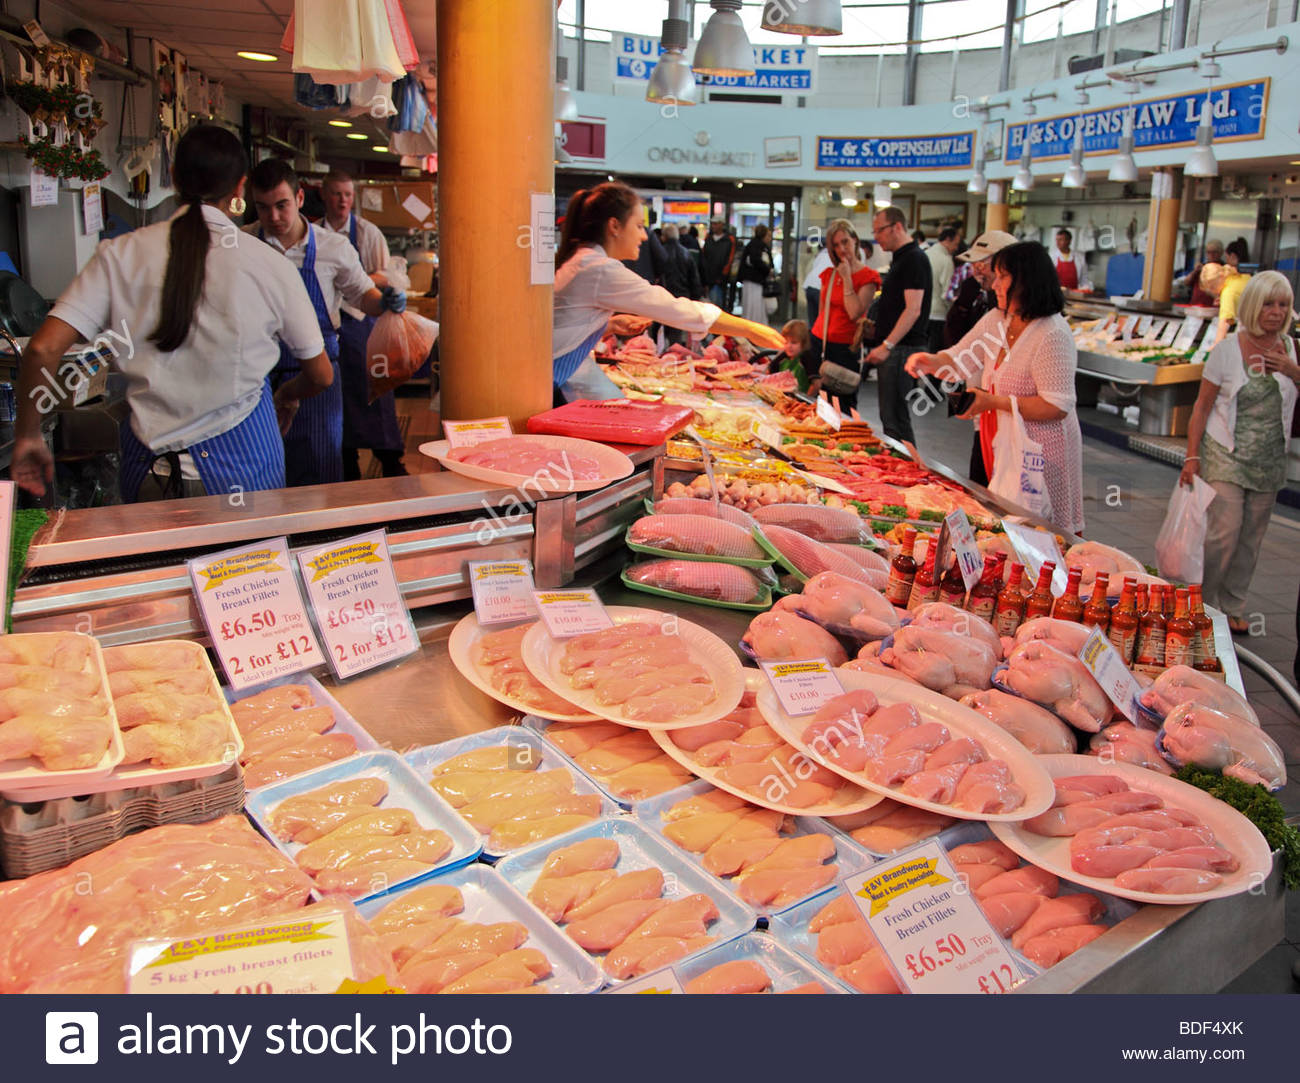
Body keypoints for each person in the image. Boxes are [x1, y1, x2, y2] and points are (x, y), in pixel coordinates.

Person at [12, 125, 333, 503]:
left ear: (176, 178)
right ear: (240, 188)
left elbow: (41, 350)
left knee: (158, 564)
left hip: (149, 475)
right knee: (246, 564)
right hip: (246, 475)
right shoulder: (270, 263)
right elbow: (321, 375)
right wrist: (287, 395)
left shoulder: (120, 254)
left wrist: (29, 435)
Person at [906, 241, 1084, 535]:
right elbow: (962, 357)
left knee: (1045, 533)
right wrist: (931, 360)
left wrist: (991, 402)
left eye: (1002, 277)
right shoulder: (998, 320)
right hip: (1003, 443)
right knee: (1009, 524)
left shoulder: (1052, 333)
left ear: (1026, 280)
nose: (994, 285)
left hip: (1043, 451)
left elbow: (1056, 405)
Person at [246, 159, 406, 487]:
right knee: (262, 468)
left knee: (321, 467)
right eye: (263, 208)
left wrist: (384, 301)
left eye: (282, 205)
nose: (274, 218)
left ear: (300, 198)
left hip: (318, 374)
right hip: (257, 375)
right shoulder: (242, 245)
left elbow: (364, 297)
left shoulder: (333, 248)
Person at [552, 182, 784, 402]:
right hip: (546, 381)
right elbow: (678, 310)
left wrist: (608, 325)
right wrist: (750, 329)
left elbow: (567, 320)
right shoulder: (599, 269)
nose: (644, 236)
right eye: (639, 226)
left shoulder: (586, 261)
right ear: (614, 226)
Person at [1180, 271, 1299, 633]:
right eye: (1268, 304)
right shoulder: (1227, 350)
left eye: (1283, 305)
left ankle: (1232, 605)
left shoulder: (1291, 348)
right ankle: (1205, 603)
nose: (1276, 312)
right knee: (1224, 532)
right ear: (1251, 305)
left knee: (1251, 536)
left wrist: (1293, 370)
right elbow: (1201, 407)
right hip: (1225, 453)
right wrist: (1192, 455)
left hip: (1269, 457)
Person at [318, 169, 406, 481]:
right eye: (336, 194)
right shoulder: (315, 234)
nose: (342, 201)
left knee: (376, 395)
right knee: (337, 398)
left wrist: (353, 280)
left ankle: (391, 460)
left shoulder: (368, 233)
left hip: (363, 324)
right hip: (328, 327)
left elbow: (388, 275)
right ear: (323, 195)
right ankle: (345, 459)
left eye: (347, 195)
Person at [943, 229, 1017, 484]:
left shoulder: (1031, 319)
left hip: (1015, 428)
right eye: (974, 264)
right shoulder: (978, 296)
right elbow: (956, 339)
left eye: (983, 264)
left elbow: (1056, 405)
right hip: (983, 413)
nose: (976, 270)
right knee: (981, 476)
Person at [863, 206, 931, 444]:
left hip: (902, 349)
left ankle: (906, 472)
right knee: (891, 417)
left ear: (897, 227)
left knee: (895, 419)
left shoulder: (914, 259)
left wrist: (887, 345)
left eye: (879, 231)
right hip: (896, 347)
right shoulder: (902, 259)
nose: (877, 237)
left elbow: (913, 309)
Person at [811, 218, 880, 414]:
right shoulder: (829, 274)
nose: (842, 249)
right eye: (836, 245)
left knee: (845, 408)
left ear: (855, 241)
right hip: (821, 344)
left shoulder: (868, 277)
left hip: (846, 348)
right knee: (821, 406)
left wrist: (847, 278)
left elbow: (854, 313)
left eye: (845, 242)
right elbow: (822, 312)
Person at [659, 224, 702, 346]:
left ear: (664, 237)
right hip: (683, 296)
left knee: (663, 332)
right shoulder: (686, 253)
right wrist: (695, 297)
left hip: (663, 297)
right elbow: (694, 278)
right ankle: (675, 355)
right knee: (676, 332)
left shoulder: (660, 252)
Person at [925, 226, 962, 352]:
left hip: (923, 312)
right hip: (938, 315)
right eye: (955, 244)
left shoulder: (925, 254)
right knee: (934, 354)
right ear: (947, 240)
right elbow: (947, 294)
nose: (956, 248)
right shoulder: (946, 260)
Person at [1212, 238, 1253, 347]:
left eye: (1226, 258)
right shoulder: (1248, 278)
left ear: (1233, 256)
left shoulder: (1229, 289)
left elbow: (1226, 320)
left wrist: (1216, 345)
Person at [739, 224, 773, 325]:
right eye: (768, 236)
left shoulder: (753, 245)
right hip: (755, 281)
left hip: (753, 281)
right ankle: (755, 326)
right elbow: (755, 260)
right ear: (763, 235)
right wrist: (767, 269)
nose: (770, 239)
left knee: (752, 307)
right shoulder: (758, 246)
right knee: (755, 306)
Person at [1179, 238, 1226, 308]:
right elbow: (1186, 282)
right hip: (1196, 307)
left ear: (1221, 252)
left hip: (1213, 308)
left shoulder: (1224, 269)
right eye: (1208, 252)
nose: (1211, 255)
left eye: (1214, 252)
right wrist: (1195, 271)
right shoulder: (1202, 267)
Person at [700, 218, 736, 308]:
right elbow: (703, 257)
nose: (713, 226)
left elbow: (730, 259)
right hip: (708, 278)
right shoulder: (708, 238)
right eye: (712, 224)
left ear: (722, 225)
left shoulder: (729, 240)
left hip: (720, 279)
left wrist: (723, 275)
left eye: (716, 224)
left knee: (717, 304)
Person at [776, 319, 814, 393]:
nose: (789, 346)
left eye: (794, 343)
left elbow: (816, 383)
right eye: (786, 342)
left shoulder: (807, 359)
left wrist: (807, 398)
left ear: (803, 343)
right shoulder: (782, 357)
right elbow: (769, 372)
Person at [801, 240, 832, 329]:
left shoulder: (822, 254)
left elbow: (814, 267)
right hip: (820, 288)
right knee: (822, 321)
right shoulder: (835, 255)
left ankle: (812, 340)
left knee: (812, 321)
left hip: (809, 286)